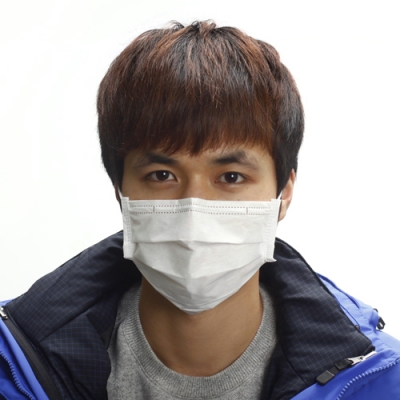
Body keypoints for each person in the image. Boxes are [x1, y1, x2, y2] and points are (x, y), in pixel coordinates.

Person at [0, 20, 399, 400]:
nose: (194, 209)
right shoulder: (12, 368)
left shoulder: (382, 384)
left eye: (231, 177)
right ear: (120, 190)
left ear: (284, 193)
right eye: (161, 175)